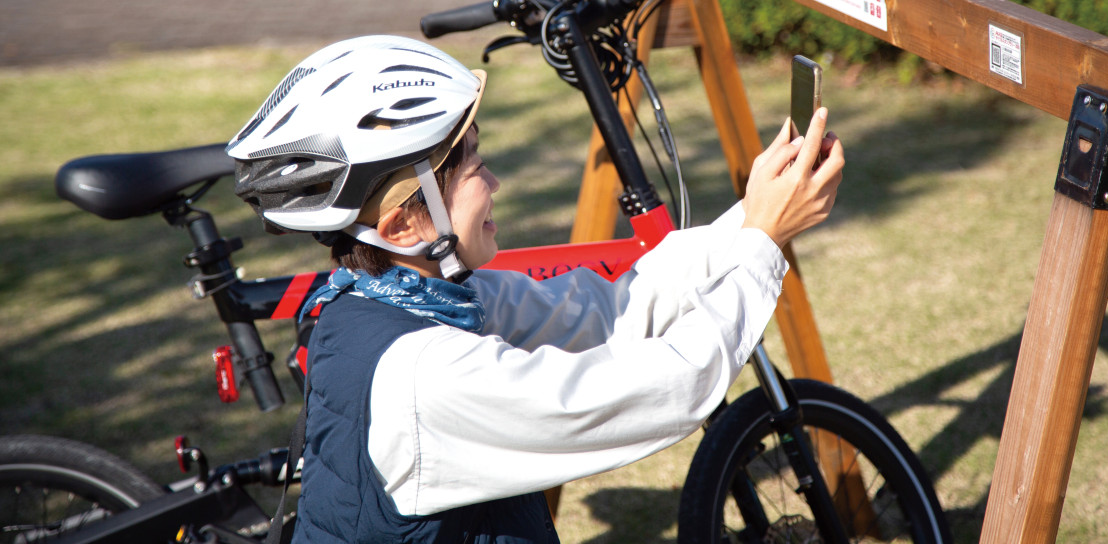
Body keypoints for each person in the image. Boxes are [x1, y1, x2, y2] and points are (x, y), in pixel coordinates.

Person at [226, 34, 844, 544]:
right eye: (471, 166)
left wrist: (753, 215)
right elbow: (660, 392)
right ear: (403, 223)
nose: (493, 181)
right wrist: (763, 243)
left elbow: (613, 310)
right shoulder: (425, 376)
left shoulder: (409, 297)